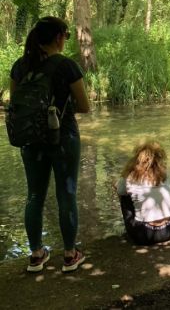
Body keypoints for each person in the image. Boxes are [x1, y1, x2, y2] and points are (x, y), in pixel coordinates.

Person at [9, 17, 90, 272]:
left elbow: (16, 106)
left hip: (30, 140)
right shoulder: (67, 66)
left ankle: (36, 255)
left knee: (34, 195)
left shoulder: (20, 66)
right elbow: (85, 106)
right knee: (66, 194)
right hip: (63, 137)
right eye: (66, 35)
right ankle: (70, 255)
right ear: (58, 37)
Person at [116, 141, 170, 245]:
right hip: (168, 230)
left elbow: (120, 191)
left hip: (145, 234)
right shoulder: (165, 171)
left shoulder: (130, 174)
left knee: (124, 196)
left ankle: (130, 228)